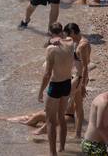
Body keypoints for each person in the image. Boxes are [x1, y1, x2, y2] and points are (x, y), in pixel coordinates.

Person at [38, 22, 74, 155]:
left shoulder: (51, 49)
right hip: (67, 84)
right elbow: (66, 38)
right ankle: (62, 148)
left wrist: (40, 91)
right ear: (62, 32)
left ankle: (53, 153)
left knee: (51, 121)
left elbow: (47, 74)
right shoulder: (70, 43)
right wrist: (53, 39)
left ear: (50, 33)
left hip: (55, 85)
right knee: (61, 117)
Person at [63, 23, 91, 139]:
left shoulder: (83, 45)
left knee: (78, 105)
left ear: (74, 32)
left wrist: (83, 85)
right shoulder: (76, 41)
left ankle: (78, 135)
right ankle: (77, 133)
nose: (69, 37)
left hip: (80, 78)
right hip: (76, 76)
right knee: (75, 104)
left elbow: (85, 66)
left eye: (69, 35)